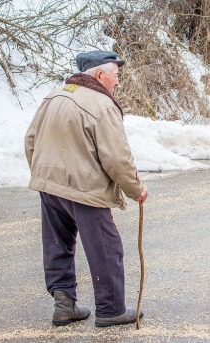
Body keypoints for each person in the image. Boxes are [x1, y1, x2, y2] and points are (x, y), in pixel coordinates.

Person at [24, 50, 148, 327]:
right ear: (100, 75)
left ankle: (64, 306)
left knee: (58, 245)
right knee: (106, 248)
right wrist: (135, 188)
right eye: (115, 76)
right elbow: (116, 157)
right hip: (84, 188)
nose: (117, 83)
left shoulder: (54, 95)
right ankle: (111, 310)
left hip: (49, 183)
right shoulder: (102, 104)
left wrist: (43, 173)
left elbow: (30, 139)